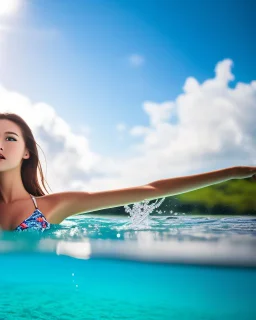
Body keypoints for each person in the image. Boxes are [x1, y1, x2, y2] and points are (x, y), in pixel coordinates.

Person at [0, 112, 255, 232]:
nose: (0, 145)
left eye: (10, 138)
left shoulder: (55, 205)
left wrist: (231, 172)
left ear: (27, 152)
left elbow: (153, 190)